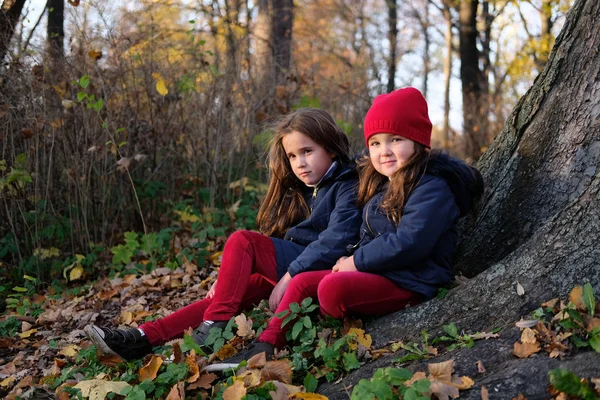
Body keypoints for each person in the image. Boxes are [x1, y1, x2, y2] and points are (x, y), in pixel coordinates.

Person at [218, 87, 484, 364]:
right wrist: (350, 259)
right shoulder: (380, 184)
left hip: (413, 279)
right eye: (376, 143)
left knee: (332, 290)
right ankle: (265, 346)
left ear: (419, 142)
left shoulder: (432, 187)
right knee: (302, 282)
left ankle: (317, 330)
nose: (385, 151)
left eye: (396, 139)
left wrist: (356, 261)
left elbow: (411, 242)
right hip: (380, 270)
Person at [84, 108, 362, 360]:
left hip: (317, 268)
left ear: (331, 148)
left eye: (307, 151)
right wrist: (232, 276)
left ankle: (210, 330)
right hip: (298, 262)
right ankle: (143, 337)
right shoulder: (301, 188)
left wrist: (290, 275)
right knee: (223, 298)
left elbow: (336, 240)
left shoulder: (346, 185)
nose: (299, 162)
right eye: (292, 155)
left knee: (243, 241)